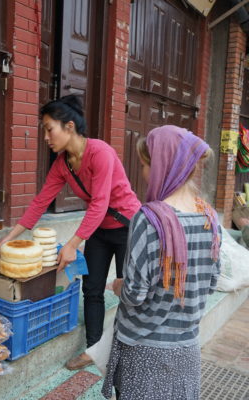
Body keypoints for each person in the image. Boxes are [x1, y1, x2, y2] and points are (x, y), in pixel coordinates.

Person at [0, 95, 141, 369]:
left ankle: (129, 352)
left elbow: (100, 202)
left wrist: (72, 244)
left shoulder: (101, 153)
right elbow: (40, 202)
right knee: (92, 289)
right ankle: (94, 350)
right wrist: (10, 237)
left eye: (50, 129)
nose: (46, 137)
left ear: (69, 126)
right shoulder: (62, 165)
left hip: (127, 227)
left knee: (128, 293)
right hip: (99, 229)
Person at [101, 125, 221, 400]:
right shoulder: (210, 218)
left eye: (145, 165)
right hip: (187, 349)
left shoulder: (149, 219)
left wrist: (120, 286)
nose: (143, 174)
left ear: (163, 167)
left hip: (144, 351)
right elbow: (212, 282)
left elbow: (135, 295)